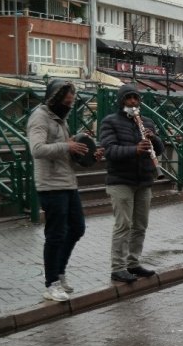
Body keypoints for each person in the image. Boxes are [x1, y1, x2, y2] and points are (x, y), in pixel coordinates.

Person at [27, 79, 101, 302]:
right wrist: (67, 146)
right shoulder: (40, 117)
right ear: (54, 98)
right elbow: (37, 149)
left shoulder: (61, 120)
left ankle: (60, 271)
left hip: (67, 182)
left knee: (77, 228)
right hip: (50, 185)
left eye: (72, 102)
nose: (69, 105)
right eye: (66, 101)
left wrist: (85, 154)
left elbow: (66, 152)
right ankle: (51, 284)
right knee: (55, 234)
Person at [100, 84, 165, 284]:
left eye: (136, 98)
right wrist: (134, 150)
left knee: (140, 225)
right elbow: (110, 150)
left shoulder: (147, 122)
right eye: (129, 98)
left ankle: (133, 262)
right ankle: (117, 268)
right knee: (123, 225)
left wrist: (154, 138)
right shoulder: (109, 122)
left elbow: (160, 149)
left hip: (143, 180)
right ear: (121, 101)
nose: (133, 102)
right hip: (121, 180)